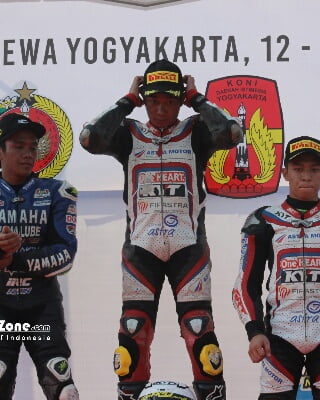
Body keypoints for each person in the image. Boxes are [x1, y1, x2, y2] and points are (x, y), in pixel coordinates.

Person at [79, 59, 243, 400]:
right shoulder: (129, 135)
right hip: (141, 249)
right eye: (153, 101)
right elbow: (89, 138)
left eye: (170, 101)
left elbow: (232, 133)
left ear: (180, 100)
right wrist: (127, 100)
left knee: (200, 333)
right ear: (145, 100)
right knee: (132, 335)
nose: (161, 108)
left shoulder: (196, 132)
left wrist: (197, 98)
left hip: (189, 249)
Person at [232, 136, 320, 400]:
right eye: (298, 169)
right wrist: (254, 331)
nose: (306, 176)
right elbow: (245, 283)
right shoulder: (262, 220)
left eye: (314, 169)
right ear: (285, 173)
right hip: (280, 336)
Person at [0, 113, 80, 400]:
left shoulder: (58, 192)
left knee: (63, 387)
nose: (28, 154)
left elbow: (65, 253)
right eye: (18, 146)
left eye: (32, 147)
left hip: (43, 303)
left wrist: (12, 260)